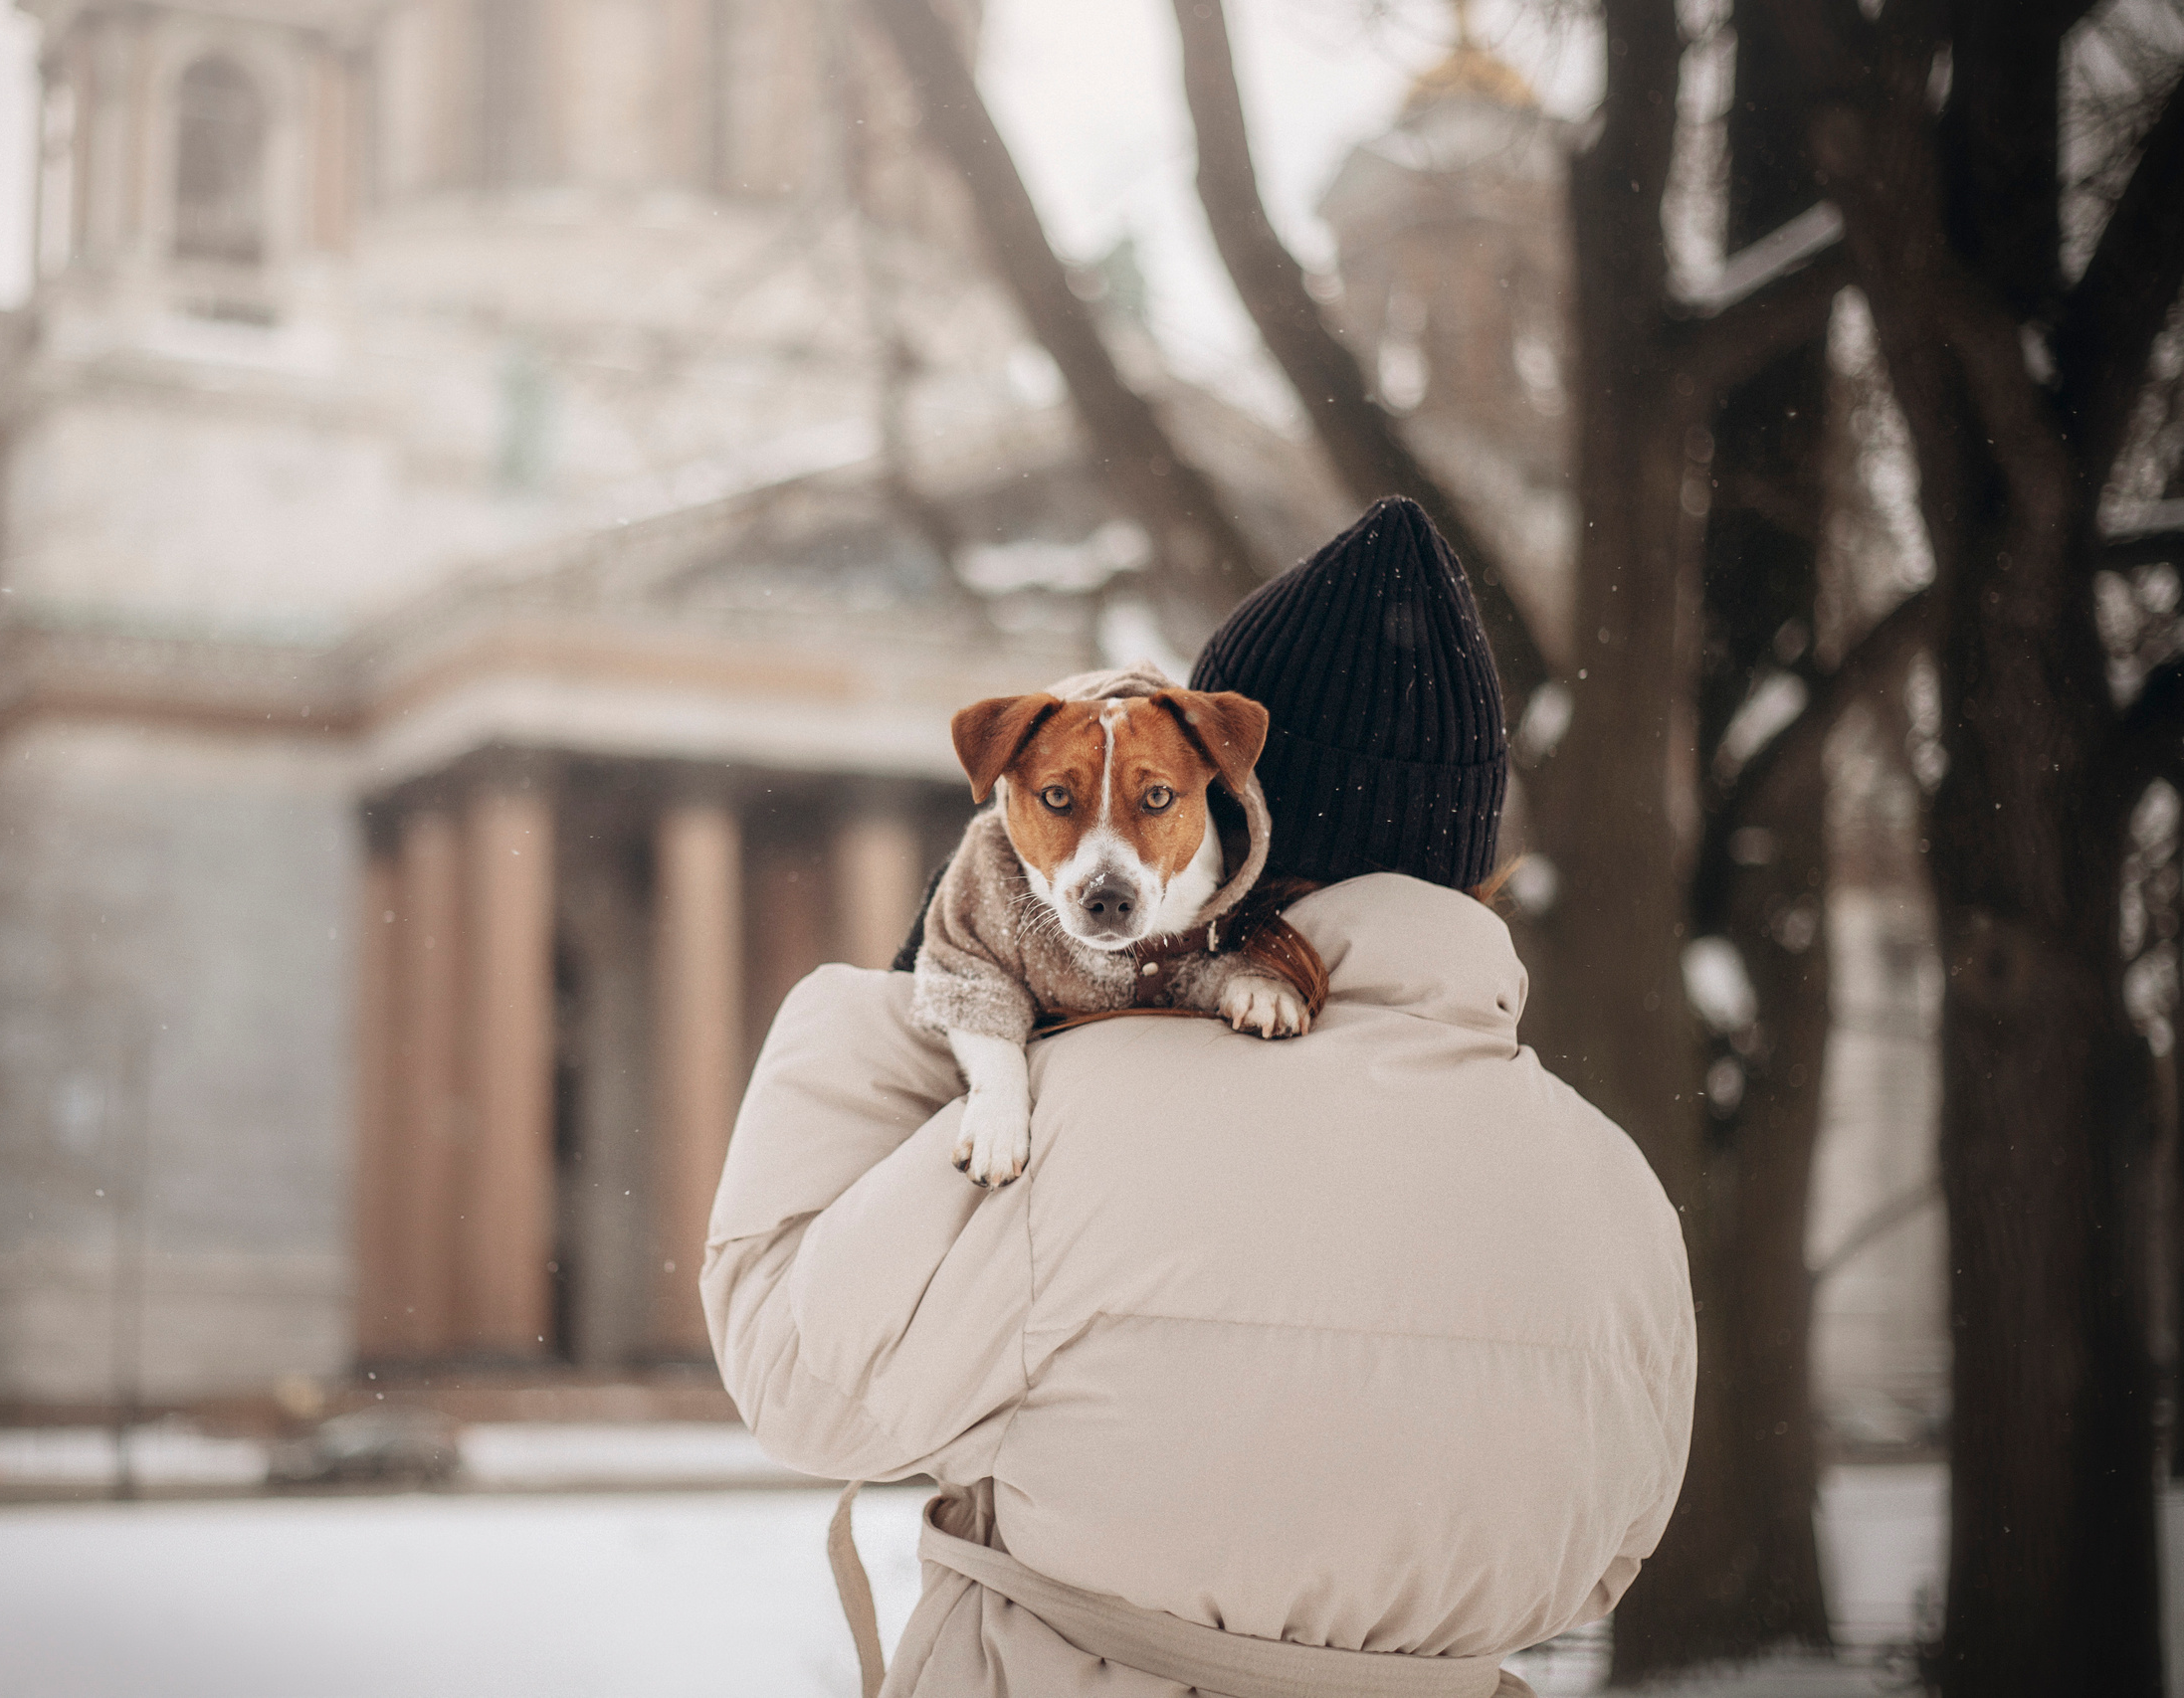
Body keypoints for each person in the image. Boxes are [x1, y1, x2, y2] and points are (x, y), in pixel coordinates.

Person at [702, 498, 1694, 1697]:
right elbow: (1613, 1556)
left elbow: (798, 1382)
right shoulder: (1616, 1191)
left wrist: (937, 966)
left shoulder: (1072, 1123)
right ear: (1475, 852)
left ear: (1235, 812)